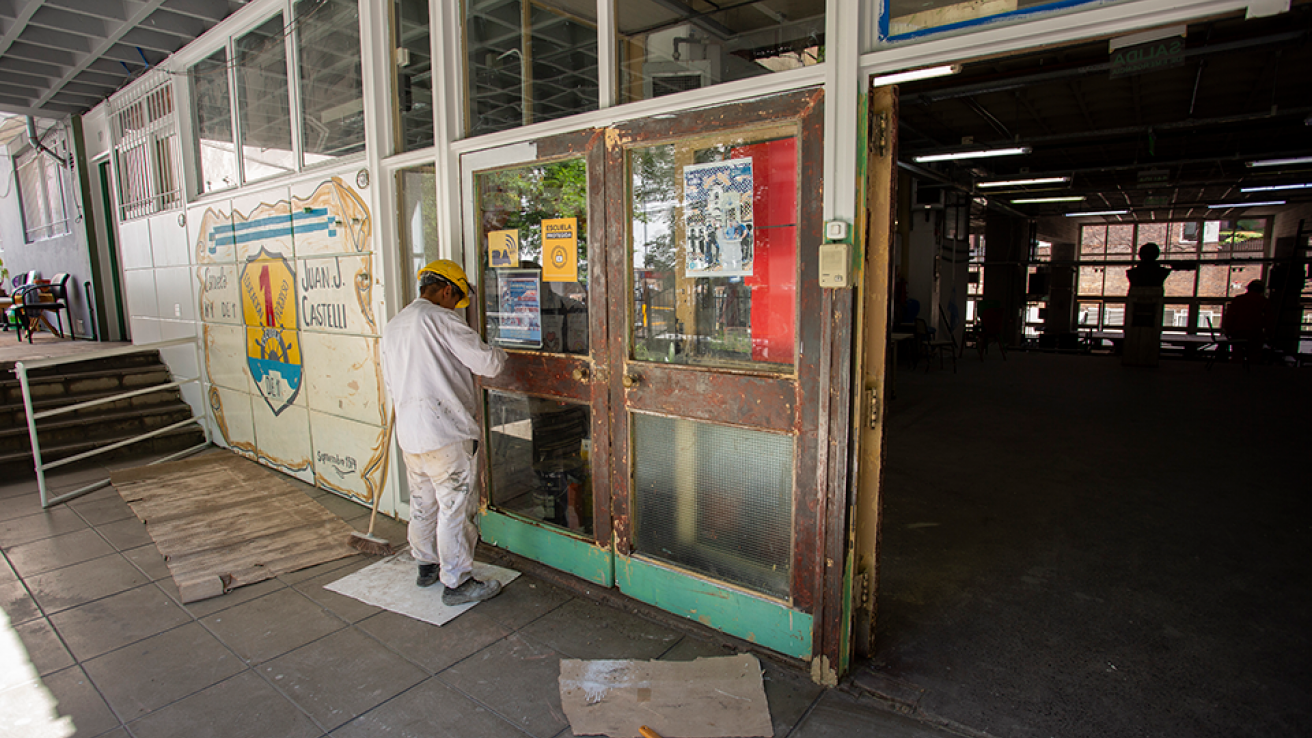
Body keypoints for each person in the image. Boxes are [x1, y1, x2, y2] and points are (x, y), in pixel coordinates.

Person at [381, 259, 508, 605]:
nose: (457, 308)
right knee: (454, 507)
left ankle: (426, 565)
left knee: (423, 503)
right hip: (446, 434)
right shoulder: (441, 320)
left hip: (412, 435)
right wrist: (503, 348)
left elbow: (391, 384)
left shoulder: (394, 325)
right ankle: (457, 582)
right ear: (448, 290)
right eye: (457, 300)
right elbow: (489, 364)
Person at [1221, 279, 1271, 360]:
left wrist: (1228, 330)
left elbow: (1230, 316)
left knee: (1237, 355)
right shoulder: (1264, 302)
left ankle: (1236, 370)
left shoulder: (1238, 300)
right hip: (1255, 333)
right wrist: (1268, 334)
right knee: (1254, 357)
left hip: (1238, 332)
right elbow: (1268, 319)